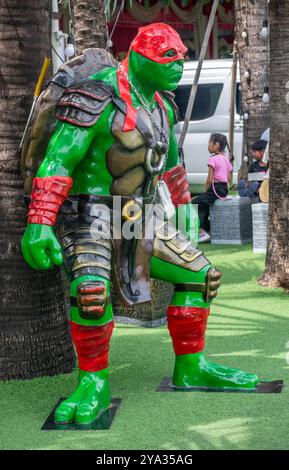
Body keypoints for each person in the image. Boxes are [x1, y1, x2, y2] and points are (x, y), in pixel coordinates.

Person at [21, 24, 260, 426]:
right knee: (91, 294)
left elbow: (170, 166)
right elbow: (58, 161)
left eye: (181, 55)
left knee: (202, 277)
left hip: (138, 216)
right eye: (168, 56)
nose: (178, 63)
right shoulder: (95, 97)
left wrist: (184, 206)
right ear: (138, 55)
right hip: (91, 213)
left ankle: (191, 367)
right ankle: (93, 381)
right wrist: (40, 223)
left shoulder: (162, 107)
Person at [192, 134, 233, 243]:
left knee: (194, 203)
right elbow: (229, 178)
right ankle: (207, 229)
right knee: (203, 205)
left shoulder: (212, 159)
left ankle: (201, 231)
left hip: (215, 189)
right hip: (223, 189)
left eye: (210, 143)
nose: (208, 146)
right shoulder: (226, 159)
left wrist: (206, 190)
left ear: (217, 145)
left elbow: (209, 179)